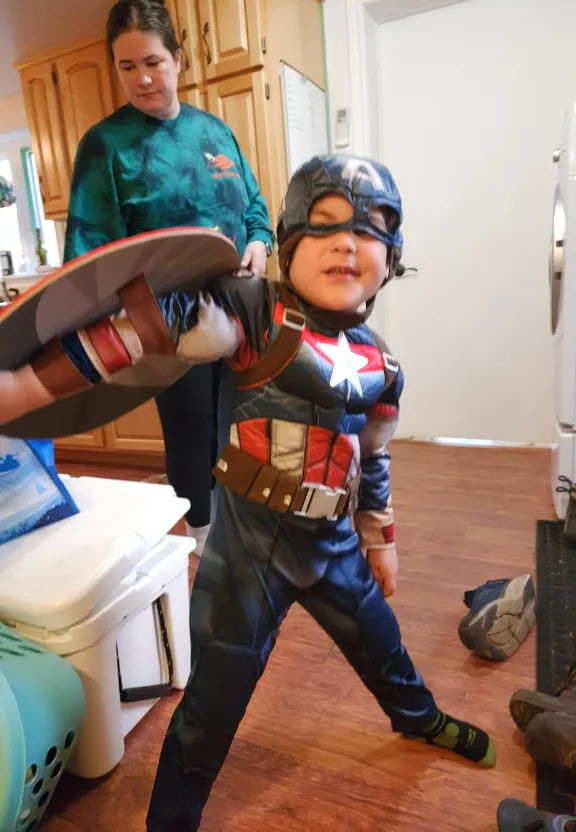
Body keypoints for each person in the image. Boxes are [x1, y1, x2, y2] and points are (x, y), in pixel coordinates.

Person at [0, 154, 496, 830]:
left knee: (383, 645)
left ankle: (418, 718)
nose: (348, 239)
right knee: (214, 701)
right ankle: (171, 820)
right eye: (325, 224)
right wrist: (23, 391)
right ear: (288, 241)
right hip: (248, 556)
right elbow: (148, 327)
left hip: (334, 547)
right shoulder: (251, 315)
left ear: (392, 258)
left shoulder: (384, 364)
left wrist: (382, 536)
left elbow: (374, 457)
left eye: (371, 228)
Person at [64, 0, 273, 553]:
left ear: (179, 59)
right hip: (165, 320)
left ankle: (238, 527)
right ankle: (204, 544)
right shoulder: (105, 146)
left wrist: (259, 241)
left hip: (239, 310)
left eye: (153, 61)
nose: (142, 78)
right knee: (190, 428)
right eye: (126, 66)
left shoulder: (214, 131)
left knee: (238, 425)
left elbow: (254, 204)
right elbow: (88, 254)